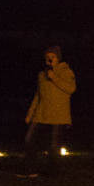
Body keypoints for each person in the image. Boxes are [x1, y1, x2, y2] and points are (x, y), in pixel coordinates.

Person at [21, 46, 76, 177]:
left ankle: (53, 173)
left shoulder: (66, 72)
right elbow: (38, 95)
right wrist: (30, 113)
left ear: (58, 58)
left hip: (58, 115)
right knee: (29, 140)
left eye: (53, 56)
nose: (50, 59)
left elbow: (71, 89)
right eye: (47, 57)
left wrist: (54, 77)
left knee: (53, 146)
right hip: (41, 114)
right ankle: (30, 170)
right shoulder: (41, 74)